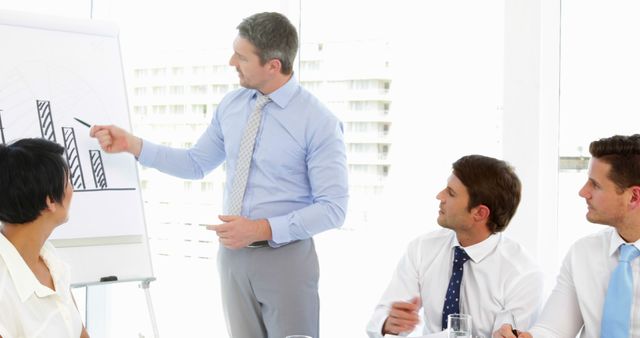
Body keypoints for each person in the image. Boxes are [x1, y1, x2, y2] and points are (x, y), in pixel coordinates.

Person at [90, 12, 348, 338]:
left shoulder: (319, 122)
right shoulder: (232, 105)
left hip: (286, 260)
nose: (231, 62)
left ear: (273, 65)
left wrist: (260, 229)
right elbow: (196, 163)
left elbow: (333, 208)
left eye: (242, 57)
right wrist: (134, 145)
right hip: (233, 258)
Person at [366, 155, 543, 338]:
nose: (439, 196)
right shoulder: (422, 248)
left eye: (451, 193)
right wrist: (389, 323)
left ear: (479, 213)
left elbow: (505, 335)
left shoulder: (523, 274)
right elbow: (376, 322)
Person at [494, 134, 640, 338]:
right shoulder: (583, 252)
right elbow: (554, 329)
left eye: (595, 185)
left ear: (633, 197)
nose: (583, 192)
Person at [0, 138, 90, 338]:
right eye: (68, 182)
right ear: (50, 200)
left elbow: (80, 332)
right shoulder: (3, 288)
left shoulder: (49, 257)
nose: (72, 190)